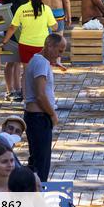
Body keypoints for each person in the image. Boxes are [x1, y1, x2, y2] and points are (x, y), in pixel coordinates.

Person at [23, 33, 64, 182]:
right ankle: (38, 196)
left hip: (35, 117)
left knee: (36, 160)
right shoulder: (41, 63)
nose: (60, 55)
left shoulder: (38, 60)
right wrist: (52, 114)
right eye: (59, 51)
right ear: (49, 46)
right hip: (39, 118)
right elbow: (40, 95)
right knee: (41, 164)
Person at [2, 0, 57, 65]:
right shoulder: (46, 9)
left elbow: (13, 27)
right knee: (41, 71)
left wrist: (4, 41)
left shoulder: (22, 8)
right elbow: (55, 27)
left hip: (25, 45)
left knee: (27, 72)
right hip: (42, 45)